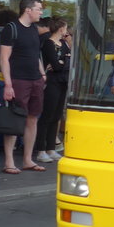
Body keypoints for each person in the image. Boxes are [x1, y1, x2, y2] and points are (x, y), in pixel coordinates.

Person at [0, 0, 46, 174]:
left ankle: (27, 159)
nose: (41, 12)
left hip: (35, 79)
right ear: (28, 10)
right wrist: (8, 84)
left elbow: (35, 54)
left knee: (33, 118)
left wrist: (42, 74)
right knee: (15, 119)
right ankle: (9, 161)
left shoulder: (33, 29)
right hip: (18, 79)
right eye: (38, 9)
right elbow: (4, 58)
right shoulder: (11, 29)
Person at [37, 17, 70, 163]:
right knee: (47, 115)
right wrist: (63, 62)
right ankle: (41, 149)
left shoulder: (64, 43)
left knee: (56, 115)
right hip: (52, 82)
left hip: (63, 82)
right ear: (61, 29)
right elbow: (56, 65)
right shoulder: (48, 44)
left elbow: (68, 61)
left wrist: (62, 62)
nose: (66, 31)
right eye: (66, 28)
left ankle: (51, 148)